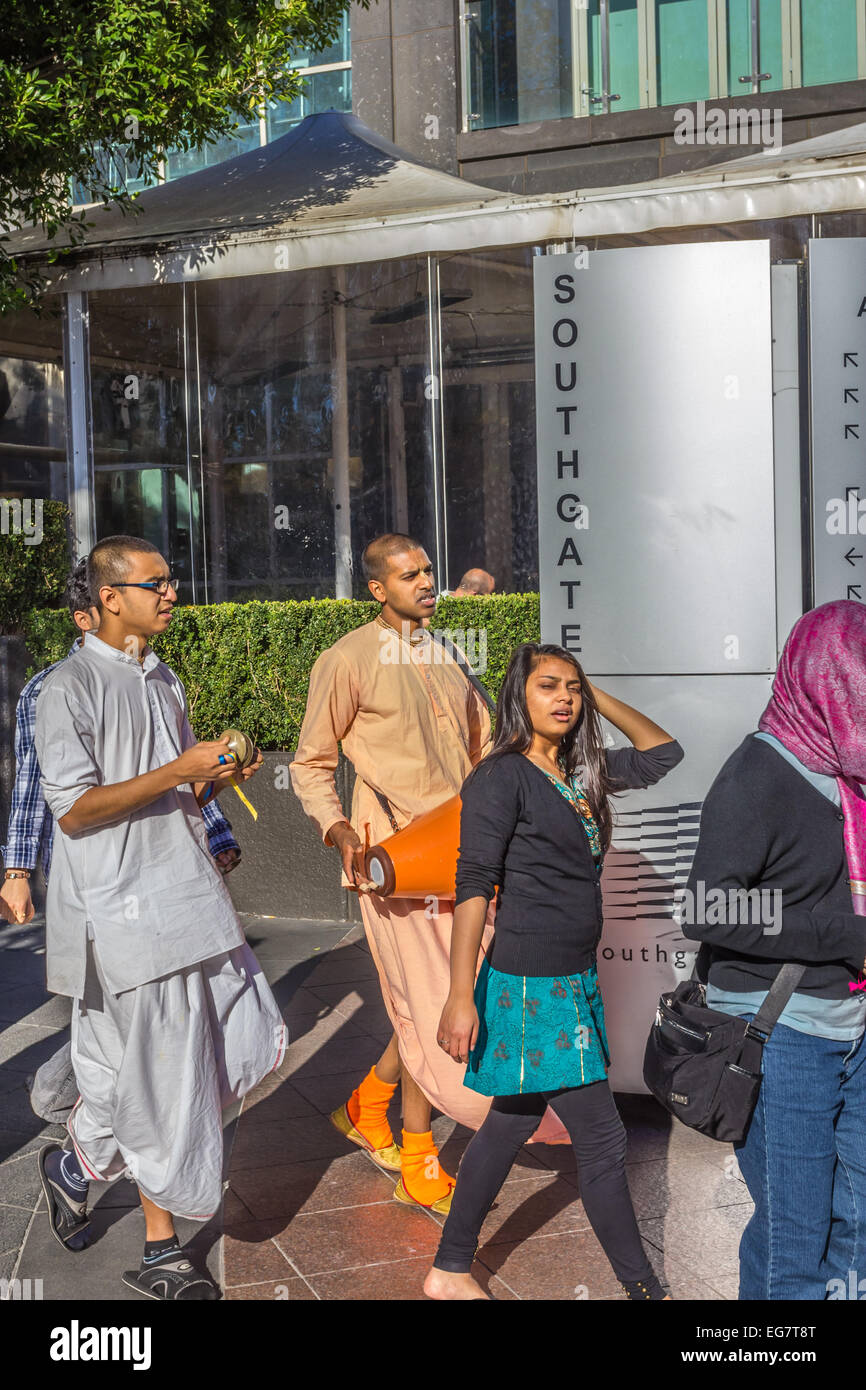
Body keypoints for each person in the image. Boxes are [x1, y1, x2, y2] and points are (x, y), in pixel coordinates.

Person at [33, 534, 287, 1300]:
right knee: (162, 1080)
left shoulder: (164, 678)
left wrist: (209, 780)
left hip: (189, 898)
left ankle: (77, 1160)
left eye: (171, 580)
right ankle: (162, 1252)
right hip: (122, 913)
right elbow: (74, 812)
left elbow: (168, 796)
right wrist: (181, 768)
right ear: (109, 598)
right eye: (156, 583)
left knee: (240, 1040)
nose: (172, 592)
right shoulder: (65, 688)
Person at [291, 534, 549, 1215]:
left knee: (451, 996)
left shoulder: (443, 651)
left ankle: (368, 1103)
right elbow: (310, 764)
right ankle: (416, 1158)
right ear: (378, 589)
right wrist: (338, 828)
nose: (426, 582)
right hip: (394, 866)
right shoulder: (345, 659)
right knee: (427, 1006)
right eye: (410, 576)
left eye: (429, 570)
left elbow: (484, 747)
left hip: (463, 854)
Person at [423, 642, 683, 1300]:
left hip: (572, 977)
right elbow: (473, 885)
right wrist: (460, 996)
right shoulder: (501, 777)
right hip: (532, 982)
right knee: (602, 1137)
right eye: (549, 686)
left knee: (510, 1118)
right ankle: (642, 1288)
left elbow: (662, 753)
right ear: (520, 695)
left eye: (573, 688)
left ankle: (449, 1267)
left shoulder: (582, 770)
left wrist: (597, 697)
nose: (564, 697)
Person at [682, 599, 866, 1301]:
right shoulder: (758, 775)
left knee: (855, 1220)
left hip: (850, 1024)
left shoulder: (850, 777)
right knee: (794, 1238)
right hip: (778, 1031)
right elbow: (708, 905)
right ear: (819, 682)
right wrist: (848, 939)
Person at [1, 560, 241, 929]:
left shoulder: (160, 676)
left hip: (168, 862)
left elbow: (178, 763)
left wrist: (217, 829)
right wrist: (17, 875)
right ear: (89, 617)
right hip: (94, 873)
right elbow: (32, 788)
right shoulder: (53, 689)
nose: (168, 597)